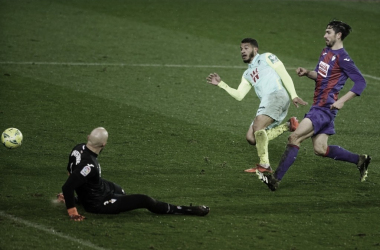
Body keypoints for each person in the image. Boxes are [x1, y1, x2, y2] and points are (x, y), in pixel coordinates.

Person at [257, 20, 371, 191]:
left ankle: (274, 179)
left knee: (294, 137)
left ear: (338, 35)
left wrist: (341, 101)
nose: (324, 35)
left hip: (325, 108)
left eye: (328, 32)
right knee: (320, 149)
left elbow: (360, 83)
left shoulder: (343, 58)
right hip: (318, 106)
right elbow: (320, 75)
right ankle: (360, 160)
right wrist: (307, 73)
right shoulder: (325, 52)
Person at [59, 127, 209, 221]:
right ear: (104, 145)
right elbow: (68, 186)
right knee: (145, 200)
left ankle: (81, 199)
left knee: (120, 191)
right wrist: (72, 211)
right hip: (97, 203)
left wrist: (76, 188)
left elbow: (70, 171)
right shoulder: (90, 165)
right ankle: (186, 210)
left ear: (88, 137)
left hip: (97, 188)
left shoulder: (78, 148)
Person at [206, 38, 307, 173]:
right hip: (267, 101)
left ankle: (264, 165)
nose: (243, 51)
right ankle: (289, 125)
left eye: (246, 48)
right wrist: (221, 84)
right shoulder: (247, 74)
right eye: (241, 49)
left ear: (255, 49)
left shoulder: (267, 57)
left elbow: (284, 74)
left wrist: (293, 94)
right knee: (251, 138)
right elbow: (239, 95)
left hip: (276, 95)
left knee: (258, 125)